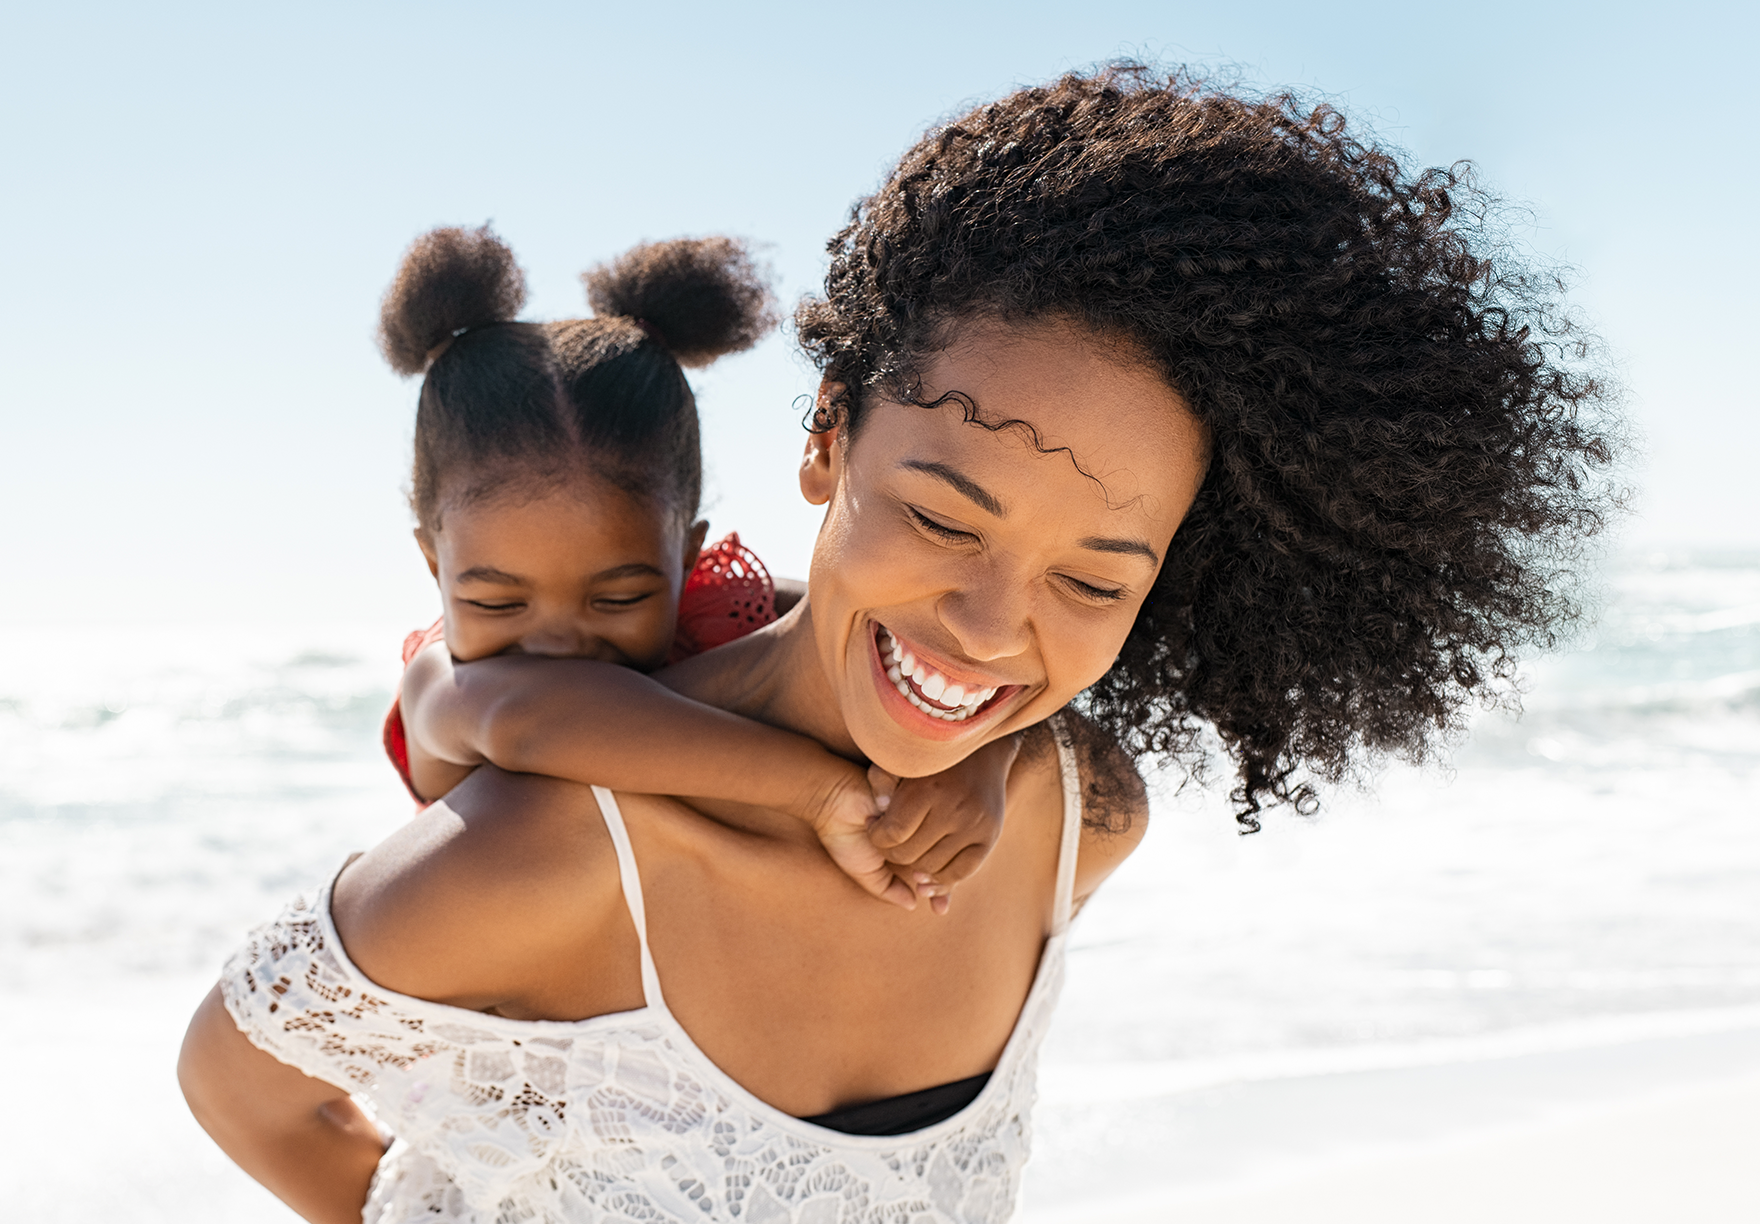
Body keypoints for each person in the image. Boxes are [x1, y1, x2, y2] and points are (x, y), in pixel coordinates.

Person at [177, 63, 1621, 1224]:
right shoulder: (544, 853)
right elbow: (243, 1087)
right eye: (942, 518)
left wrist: (996, 755)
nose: (994, 625)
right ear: (824, 438)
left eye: (1096, 576)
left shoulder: (1079, 819)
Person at [374, 226, 1014, 908]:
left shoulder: (715, 605)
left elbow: (905, 634)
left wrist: (984, 754)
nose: (558, 642)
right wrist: (821, 792)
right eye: (500, 604)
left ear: (686, 553)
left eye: (617, 598)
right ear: (433, 562)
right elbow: (529, 716)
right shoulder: (440, 685)